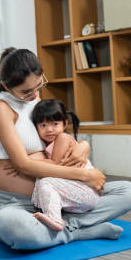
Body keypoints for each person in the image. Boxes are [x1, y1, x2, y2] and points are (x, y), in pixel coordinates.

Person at [0, 47, 131, 250]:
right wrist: (83, 175)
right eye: (26, 91)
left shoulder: (34, 100)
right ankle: (79, 231)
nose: (34, 95)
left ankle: (60, 223)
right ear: (6, 85)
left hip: (59, 197)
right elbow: (23, 165)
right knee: (18, 229)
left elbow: (58, 138)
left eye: (39, 86)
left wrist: (83, 146)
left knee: (128, 192)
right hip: (14, 203)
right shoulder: (0, 108)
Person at [30, 99, 99, 232]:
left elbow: (55, 164)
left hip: (86, 190)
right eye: (43, 125)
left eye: (54, 124)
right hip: (77, 193)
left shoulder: (63, 138)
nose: (49, 129)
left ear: (65, 124)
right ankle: (58, 218)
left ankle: (55, 219)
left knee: (45, 181)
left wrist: (24, 163)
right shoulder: (50, 144)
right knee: (43, 180)